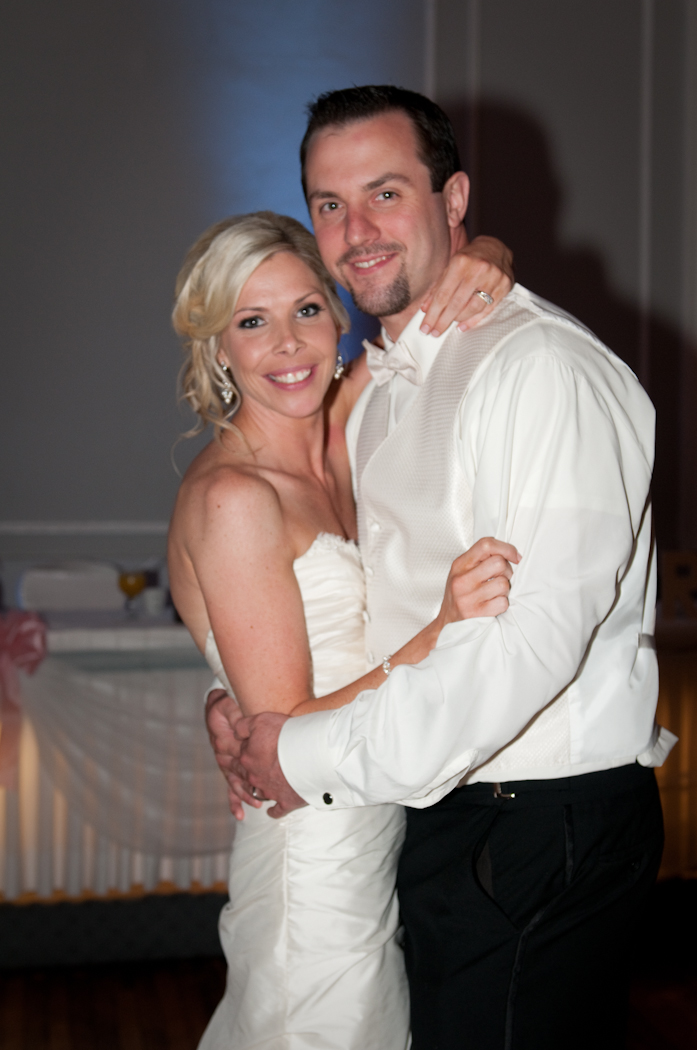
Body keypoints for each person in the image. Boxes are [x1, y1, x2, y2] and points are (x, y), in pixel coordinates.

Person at [216, 86, 676, 1050]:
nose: (356, 231)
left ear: (454, 199)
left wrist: (297, 753)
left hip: (535, 814)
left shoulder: (540, 370)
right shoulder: (378, 388)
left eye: (385, 193)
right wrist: (238, 695)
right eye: (331, 204)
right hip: (427, 805)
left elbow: (528, 647)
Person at [167, 210, 517, 1050]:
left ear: (336, 313)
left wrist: (489, 252)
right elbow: (285, 731)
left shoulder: (340, 423)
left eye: (305, 310)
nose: (287, 344)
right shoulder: (235, 497)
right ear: (217, 348)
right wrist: (439, 627)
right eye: (251, 322)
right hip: (314, 858)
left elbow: (447, 285)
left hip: (376, 828)